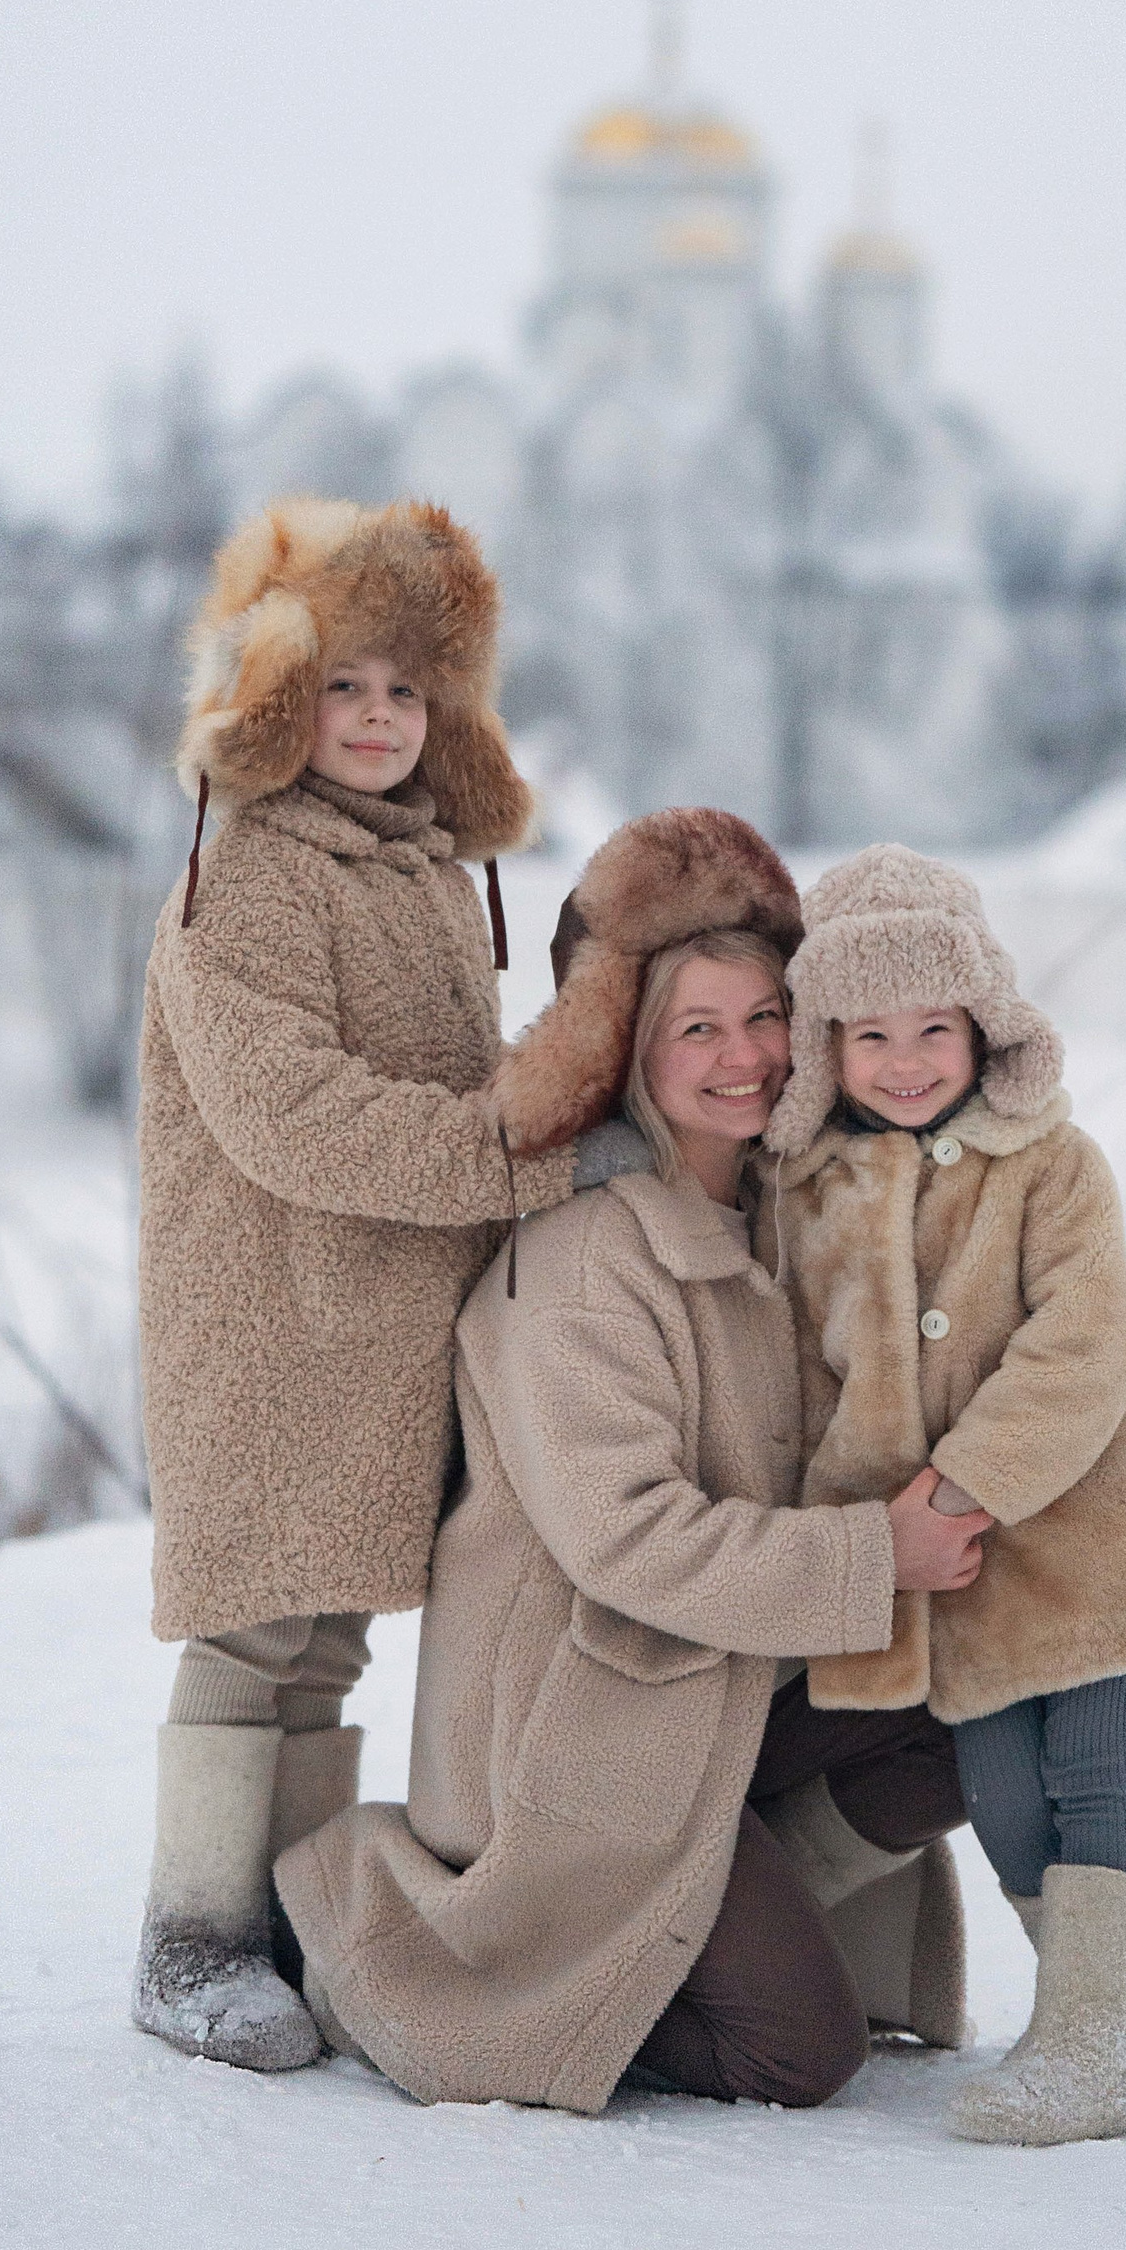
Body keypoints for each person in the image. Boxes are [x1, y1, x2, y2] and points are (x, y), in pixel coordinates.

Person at [277, 810, 990, 2115]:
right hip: (587, 1729)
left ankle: (724, 1877)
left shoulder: (782, 1217)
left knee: (993, 1685)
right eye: (697, 1029)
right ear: (629, 1049)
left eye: (767, 1016)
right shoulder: (588, 1259)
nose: (746, 1057)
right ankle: (432, 1961)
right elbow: (635, 1539)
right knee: (802, 2053)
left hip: (720, 1684)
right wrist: (875, 1554)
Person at [130, 495, 580, 2073]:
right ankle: (192, 1939)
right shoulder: (245, 874)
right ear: (275, 694)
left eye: (408, 690)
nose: (380, 719)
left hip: (379, 1323)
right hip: (271, 1315)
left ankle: (300, 1921)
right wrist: (515, 1156)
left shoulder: (424, 871)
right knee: (257, 1626)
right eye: (345, 687)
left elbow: (462, 1074)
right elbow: (296, 1113)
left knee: (329, 1643)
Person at [760, 844, 1126, 2145]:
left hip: (1093, 1538)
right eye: (872, 1033)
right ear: (827, 1043)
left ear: (984, 1026)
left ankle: (1085, 2050)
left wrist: (967, 1480)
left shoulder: (1052, 1163)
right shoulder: (817, 1197)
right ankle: (1119, 1983)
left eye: (936, 1028)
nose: (908, 1059)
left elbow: (1092, 1330)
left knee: (1088, 1765)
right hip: (963, 1576)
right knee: (1004, 1793)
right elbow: (812, 1377)